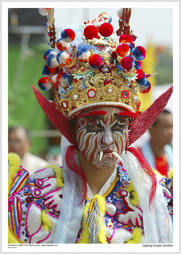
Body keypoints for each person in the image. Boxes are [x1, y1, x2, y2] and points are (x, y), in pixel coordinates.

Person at [8, 8, 173, 244]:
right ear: (73, 129)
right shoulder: (30, 198)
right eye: (95, 126)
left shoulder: (159, 197)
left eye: (118, 126)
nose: (107, 140)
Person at [140, 109, 173, 178]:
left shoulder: (173, 154)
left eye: (172, 127)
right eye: (166, 127)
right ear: (151, 129)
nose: (171, 132)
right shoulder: (136, 158)